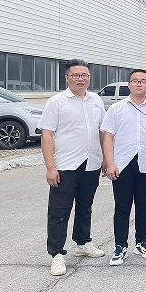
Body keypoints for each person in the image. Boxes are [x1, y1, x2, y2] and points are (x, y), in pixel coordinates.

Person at [38, 59, 106, 276]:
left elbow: (102, 131)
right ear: (67, 77)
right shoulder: (56, 102)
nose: (80, 79)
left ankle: (83, 243)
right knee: (59, 211)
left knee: (85, 206)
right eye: (76, 75)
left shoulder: (96, 100)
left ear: (89, 77)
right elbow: (47, 135)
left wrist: (106, 158)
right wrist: (51, 167)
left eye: (84, 75)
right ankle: (57, 254)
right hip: (65, 165)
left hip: (91, 163)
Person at [100, 69, 146, 265]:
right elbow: (108, 136)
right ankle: (120, 246)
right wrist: (110, 163)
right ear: (129, 85)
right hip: (122, 164)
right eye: (135, 80)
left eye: (143, 81)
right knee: (122, 206)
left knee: (143, 205)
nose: (139, 84)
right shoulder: (116, 109)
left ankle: (141, 242)